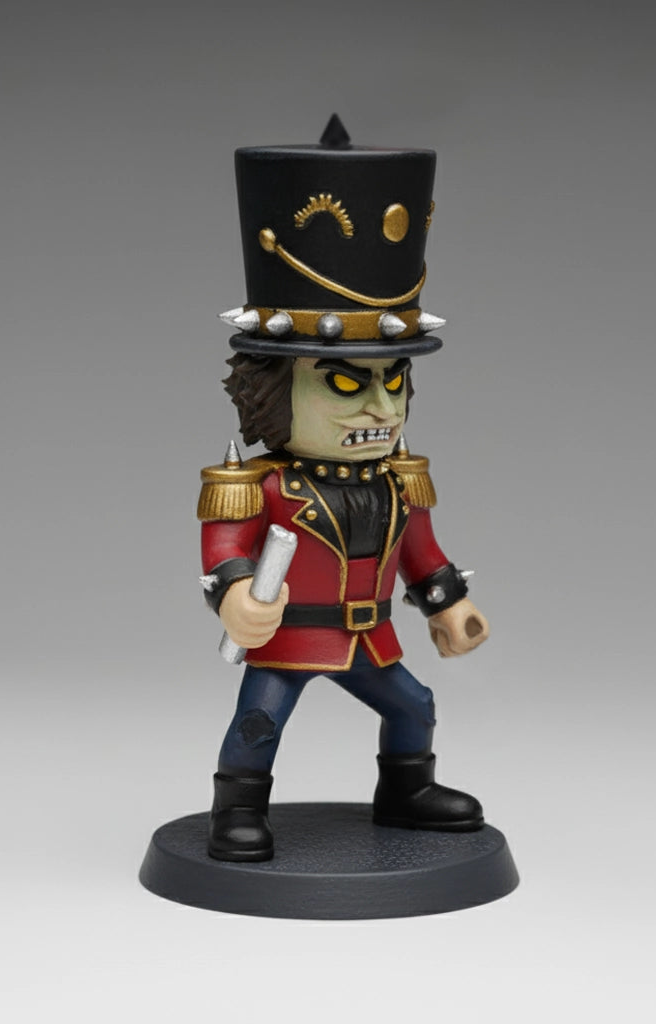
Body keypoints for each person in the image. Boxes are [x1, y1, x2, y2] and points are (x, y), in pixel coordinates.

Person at [199, 116, 489, 862]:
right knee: (259, 723)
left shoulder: (400, 482)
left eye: (395, 383)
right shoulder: (257, 485)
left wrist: (448, 604)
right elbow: (225, 554)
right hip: (289, 635)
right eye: (346, 385)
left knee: (415, 706)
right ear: (274, 393)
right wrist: (235, 596)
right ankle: (238, 808)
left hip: (368, 633)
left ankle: (406, 792)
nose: (382, 409)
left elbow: (422, 553)